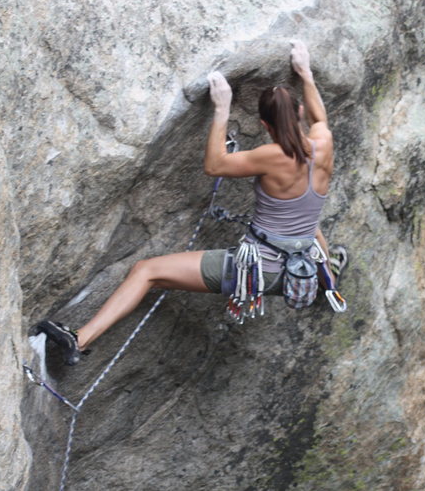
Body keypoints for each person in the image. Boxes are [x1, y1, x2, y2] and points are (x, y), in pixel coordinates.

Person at [34, 40, 347, 365]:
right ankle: (329, 274)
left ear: (266, 125)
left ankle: (79, 339)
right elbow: (319, 116)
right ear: (299, 113)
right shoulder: (323, 144)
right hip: (302, 267)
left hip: (259, 271)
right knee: (308, 221)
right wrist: (305, 73)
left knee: (146, 271)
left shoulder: (269, 156)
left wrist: (222, 110)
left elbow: (215, 165)